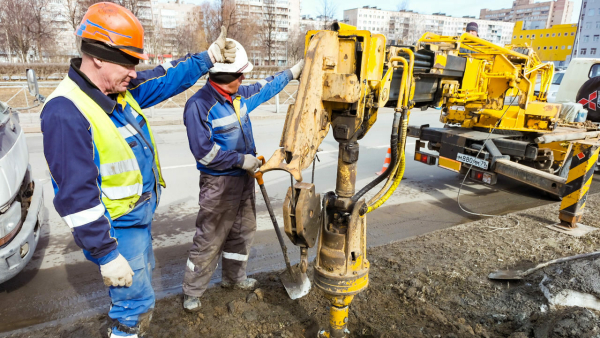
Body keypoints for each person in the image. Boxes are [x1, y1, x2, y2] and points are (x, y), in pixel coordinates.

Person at [41, 3, 236, 337]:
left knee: (141, 289)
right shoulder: (66, 111)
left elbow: (165, 77)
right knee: (133, 305)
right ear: (98, 56)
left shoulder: (116, 88)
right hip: (117, 230)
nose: (134, 72)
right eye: (128, 62)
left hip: (137, 219)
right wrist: (106, 254)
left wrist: (209, 57)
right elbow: (76, 198)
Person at [181, 40, 305, 312]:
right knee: (210, 237)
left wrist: (294, 71)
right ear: (226, 77)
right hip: (219, 184)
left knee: (242, 231)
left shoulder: (239, 96)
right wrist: (241, 160)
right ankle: (192, 291)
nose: (244, 78)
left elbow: (266, 86)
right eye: (240, 75)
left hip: (245, 179)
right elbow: (204, 154)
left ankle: (234, 278)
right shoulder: (198, 106)